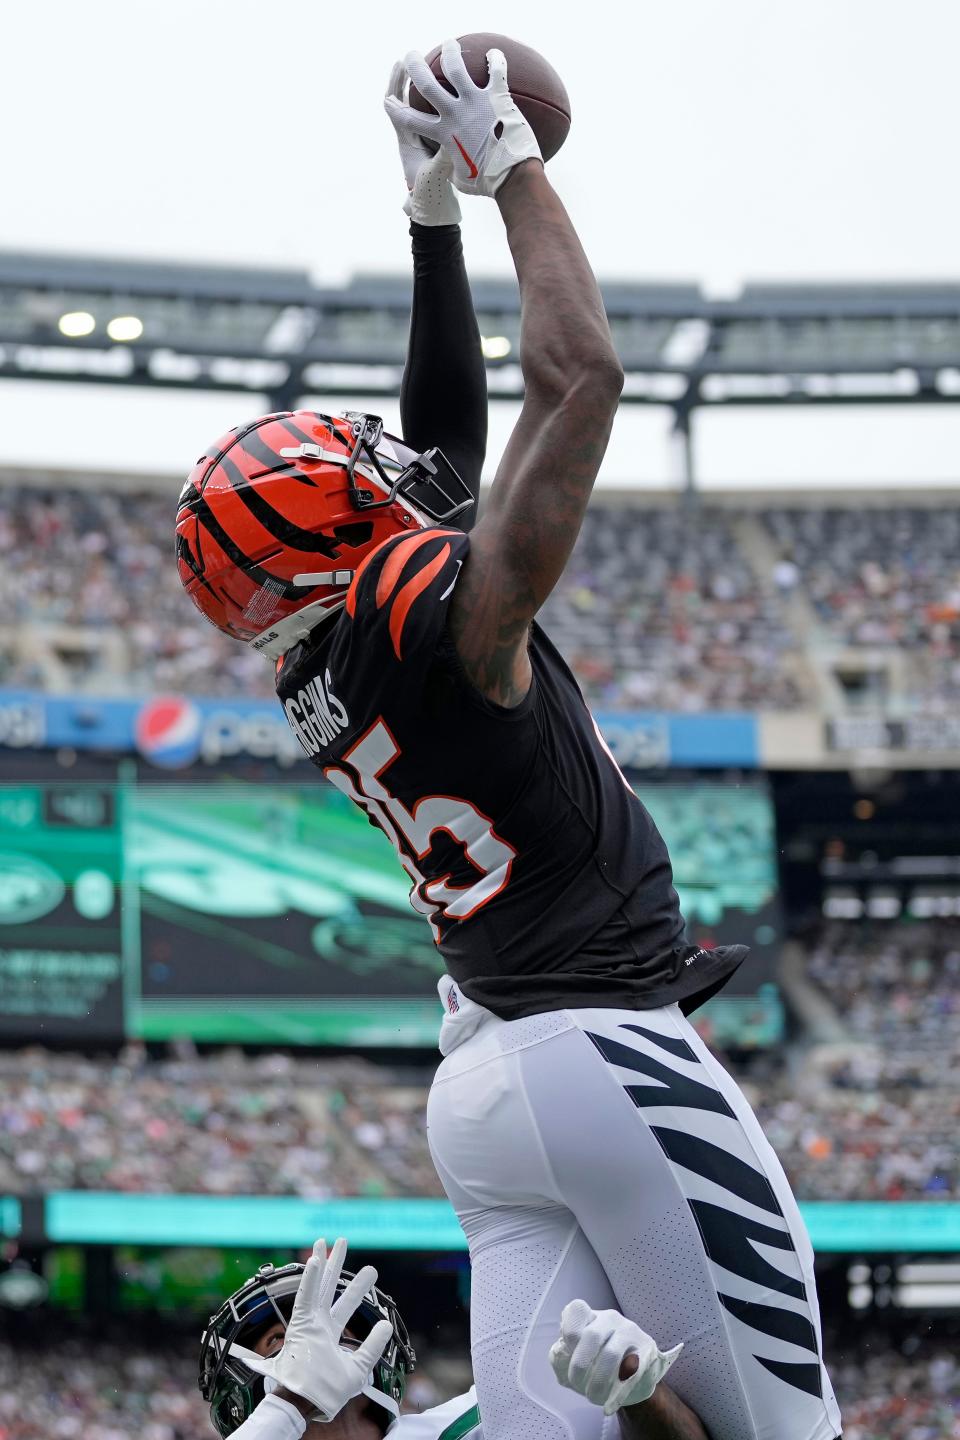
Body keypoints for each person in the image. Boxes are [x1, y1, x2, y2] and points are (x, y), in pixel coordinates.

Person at [176, 40, 842, 1440]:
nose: (384, 462)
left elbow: (443, 451)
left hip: (486, 1091)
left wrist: (427, 225)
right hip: (608, 1053)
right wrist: (510, 171)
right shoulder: (421, 609)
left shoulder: (329, 663)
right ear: (336, 536)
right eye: (352, 470)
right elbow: (580, 379)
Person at [198, 1237, 708, 1440]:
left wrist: (637, 1392)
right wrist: (289, 1405)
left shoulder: (487, 1423)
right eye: (278, 1344)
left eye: (337, 1332)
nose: (315, 1352)